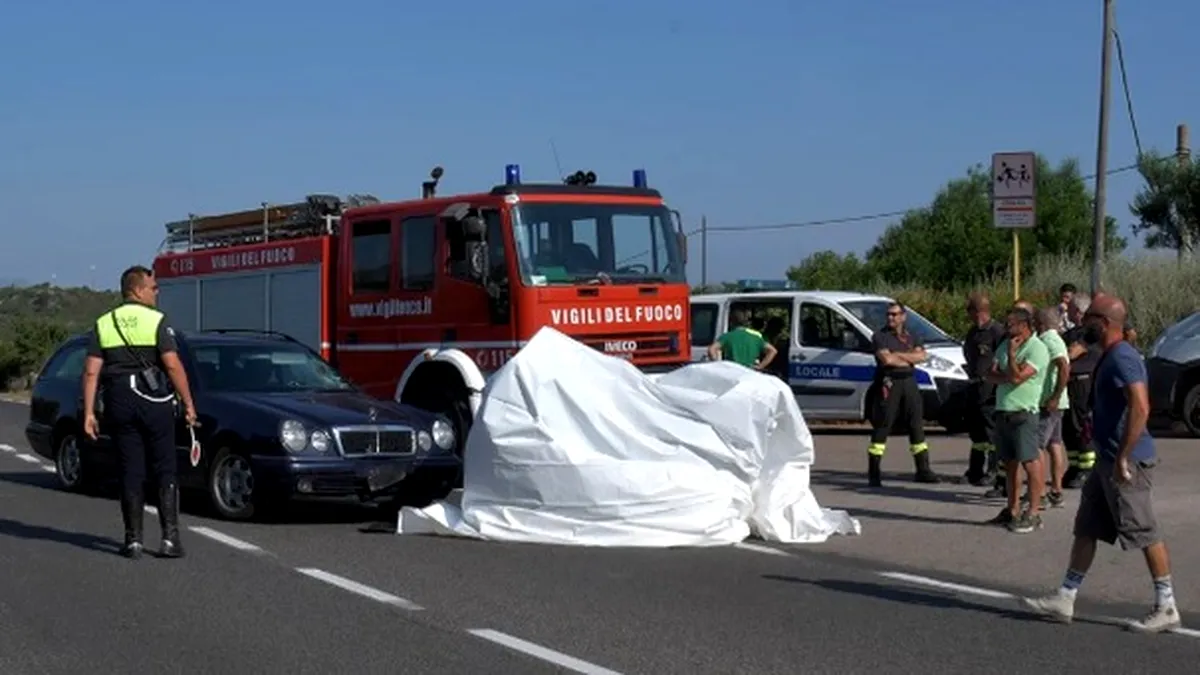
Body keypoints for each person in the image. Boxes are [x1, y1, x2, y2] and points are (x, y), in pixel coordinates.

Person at [1020, 293, 1181, 633]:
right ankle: (1066, 596)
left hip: (1127, 463)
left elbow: (1141, 406)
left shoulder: (1123, 357)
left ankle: (1166, 605)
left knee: (1144, 531)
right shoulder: (1110, 355)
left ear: (1104, 323)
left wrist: (1124, 455)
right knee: (1088, 527)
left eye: (1089, 317)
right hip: (1107, 460)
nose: (1083, 323)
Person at [82, 265, 197, 559]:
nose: (157, 292)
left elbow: (91, 372)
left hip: (119, 398)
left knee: (130, 469)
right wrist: (188, 403)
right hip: (152, 399)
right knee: (164, 466)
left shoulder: (104, 322)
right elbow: (171, 365)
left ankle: (132, 540)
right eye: (153, 287)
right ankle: (170, 538)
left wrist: (89, 413)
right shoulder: (156, 320)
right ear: (137, 290)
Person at [985, 305, 1049, 533]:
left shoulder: (1036, 349)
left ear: (1024, 325)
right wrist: (1007, 374)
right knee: (1010, 465)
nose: (1006, 327)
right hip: (1004, 410)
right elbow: (991, 374)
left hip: (1024, 412)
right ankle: (1011, 509)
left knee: (1030, 462)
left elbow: (1020, 377)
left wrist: (1012, 359)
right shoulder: (1004, 344)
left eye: (1010, 324)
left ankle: (1033, 512)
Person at [865, 302, 940, 487]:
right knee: (883, 425)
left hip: (909, 382)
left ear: (903, 316)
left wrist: (899, 356)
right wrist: (908, 357)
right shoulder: (880, 336)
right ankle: (874, 472)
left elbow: (922, 357)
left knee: (916, 424)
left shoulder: (912, 336)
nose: (891, 318)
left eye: (895, 314)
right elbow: (887, 359)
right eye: (889, 315)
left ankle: (923, 470)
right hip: (889, 382)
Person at [961, 291, 1006, 486]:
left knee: (991, 432)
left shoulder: (996, 331)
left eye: (970, 311)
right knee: (977, 433)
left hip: (990, 389)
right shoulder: (973, 333)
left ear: (978, 311)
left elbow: (1002, 359)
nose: (968, 315)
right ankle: (975, 469)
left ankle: (993, 470)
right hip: (974, 387)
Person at [1062, 294, 1100, 488]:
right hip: (1069, 383)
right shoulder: (1072, 332)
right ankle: (1075, 466)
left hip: (1083, 383)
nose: (1065, 312)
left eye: (1069, 309)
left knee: (1081, 426)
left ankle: (1087, 469)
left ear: (1078, 311)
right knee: (1068, 427)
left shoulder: (1089, 333)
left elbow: (1071, 353)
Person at [1034, 306, 1071, 508]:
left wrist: (1054, 395)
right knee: (1054, 444)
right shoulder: (1056, 338)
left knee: (1037, 446)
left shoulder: (1048, 340)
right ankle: (1056, 490)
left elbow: (1063, 365)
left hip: (1050, 401)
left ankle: (1038, 493)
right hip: (1057, 401)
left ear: (1041, 324)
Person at [707, 308, 778, 371]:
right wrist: (760, 366)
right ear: (747, 323)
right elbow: (773, 351)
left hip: (732, 371)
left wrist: (718, 365)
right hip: (749, 371)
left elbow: (711, 349)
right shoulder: (756, 337)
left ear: (731, 322)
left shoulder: (727, 336)